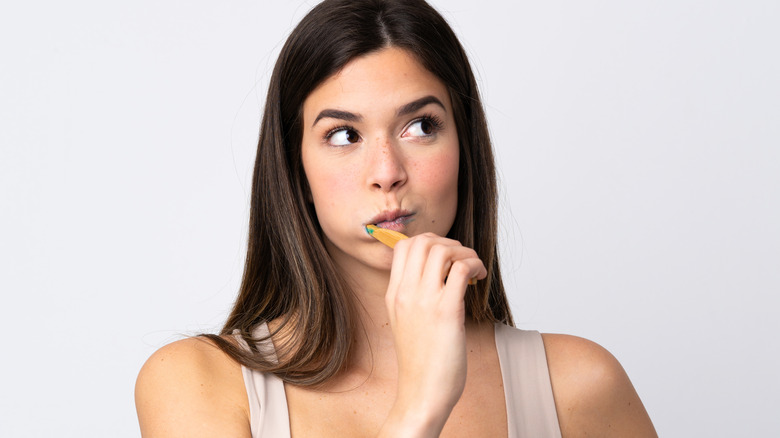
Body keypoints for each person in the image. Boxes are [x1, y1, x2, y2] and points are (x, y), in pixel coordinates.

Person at [135, 0, 657, 436]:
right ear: (297, 171)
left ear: (464, 148)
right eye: (344, 135)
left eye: (420, 126)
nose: (387, 173)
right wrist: (420, 405)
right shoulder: (195, 383)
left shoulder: (581, 386)